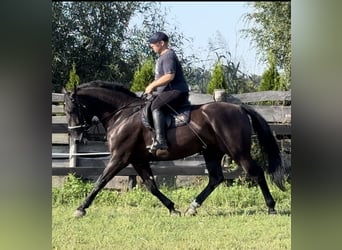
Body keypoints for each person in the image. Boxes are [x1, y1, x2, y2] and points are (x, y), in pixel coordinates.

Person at [145, 31, 190, 152]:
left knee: (156, 106)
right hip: (168, 91)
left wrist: (152, 86)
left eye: (153, 44)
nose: (151, 46)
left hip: (176, 91)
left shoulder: (168, 56)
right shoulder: (163, 57)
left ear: (161, 43)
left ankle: (161, 141)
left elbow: (169, 76)